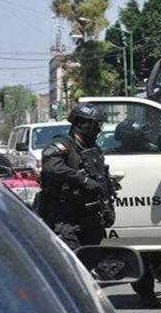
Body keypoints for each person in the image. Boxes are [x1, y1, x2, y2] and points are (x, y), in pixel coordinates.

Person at [39, 102, 115, 249]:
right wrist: (83, 180)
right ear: (82, 124)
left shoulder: (93, 148)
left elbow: (101, 177)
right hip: (67, 218)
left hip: (90, 218)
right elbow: (52, 167)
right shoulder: (62, 145)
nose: (98, 129)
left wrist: (108, 203)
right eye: (95, 125)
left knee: (91, 257)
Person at [112, 118, 161, 308]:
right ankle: (147, 293)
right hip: (127, 211)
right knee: (139, 255)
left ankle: (147, 292)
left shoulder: (156, 154)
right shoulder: (114, 157)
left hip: (154, 209)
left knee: (148, 255)